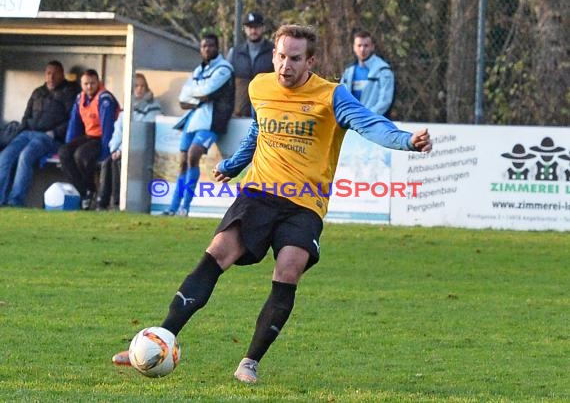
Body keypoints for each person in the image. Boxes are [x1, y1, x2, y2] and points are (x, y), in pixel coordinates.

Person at [112, 24, 432, 383]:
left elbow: (370, 125)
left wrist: (407, 140)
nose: (285, 66)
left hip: (304, 204)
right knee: (216, 253)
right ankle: (160, 337)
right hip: (259, 193)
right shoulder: (259, 86)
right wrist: (233, 165)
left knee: (288, 269)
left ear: (310, 61)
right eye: (281, 56)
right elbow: (259, 130)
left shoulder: (332, 96)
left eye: (295, 59)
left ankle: (249, 362)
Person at [162, 33, 234, 216]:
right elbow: (182, 99)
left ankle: (185, 207)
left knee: (193, 156)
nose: (207, 49)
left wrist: (196, 93)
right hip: (193, 119)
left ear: (217, 47)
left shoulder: (224, 69)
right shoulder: (198, 70)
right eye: (204, 46)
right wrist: (198, 94)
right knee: (182, 162)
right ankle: (172, 208)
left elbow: (208, 91)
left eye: (210, 45)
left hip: (212, 121)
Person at [0, 60, 79, 207]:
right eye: (48, 73)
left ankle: (15, 201)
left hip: (49, 138)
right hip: (28, 133)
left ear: (62, 75)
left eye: (55, 74)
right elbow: (26, 115)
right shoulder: (38, 92)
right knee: (5, 156)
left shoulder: (69, 93)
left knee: (26, 156)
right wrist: (21, 131)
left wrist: (54, 133)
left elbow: (72, 121)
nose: (51, 77)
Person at [96, 73, 162, 210]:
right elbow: (118, 130)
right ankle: (102, 202)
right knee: (108, 161)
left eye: (143, 86)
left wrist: (121, 150)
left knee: (117, 162)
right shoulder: (127, 106)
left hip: (142, 149)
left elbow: (140, 131)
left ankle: (117, 202)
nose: (140, 89)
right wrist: (115, 148)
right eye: (136, 86)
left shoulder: (153, 106)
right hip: (123, 149)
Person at [59, 69, 120, 210]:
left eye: (92, 83)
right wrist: (69, 143)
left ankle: (89, 190)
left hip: (101, 138)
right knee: (64, 152)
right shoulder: (80, 98)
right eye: (86, 83)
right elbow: (74, 124)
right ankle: (84, 190)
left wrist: (106, 154)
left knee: (81, 155)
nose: (89, 87)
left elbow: (108, 128)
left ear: (98, 82)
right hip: (88, 136)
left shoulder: (105, 99)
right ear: (81, 84)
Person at [227, 12, 274, 117]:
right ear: (244, 29)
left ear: (263, 28)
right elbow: (228, 85)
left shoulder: (274, 52)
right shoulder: (235, 52)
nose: (253, 31)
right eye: (250, 27)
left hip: (266, 113)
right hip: (240, 113)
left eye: (257, 27)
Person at [340, 30, 395, 117]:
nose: (362, 49)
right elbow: (341, 98)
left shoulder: (383, 70)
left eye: (366, 46)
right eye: (359, 45)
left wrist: (366, 118)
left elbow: (385, 101)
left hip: (374, 123)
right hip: (351, 122)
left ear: (372, 47)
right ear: (354, 47)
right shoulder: (348, 71)